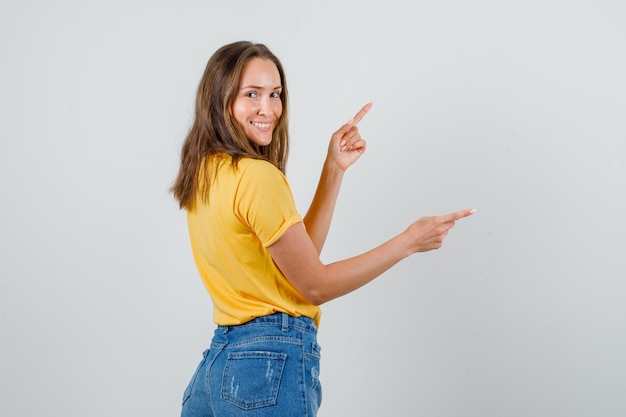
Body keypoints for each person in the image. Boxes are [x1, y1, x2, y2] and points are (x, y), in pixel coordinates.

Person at [171, 41, 475, 417]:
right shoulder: (256, 177)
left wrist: (333, 170)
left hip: (217, 368)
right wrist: (408, 242)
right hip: (266, 367)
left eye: (275, 94)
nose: (269, 109)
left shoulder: (204, 173)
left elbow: (298, 263)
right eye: (252, 94)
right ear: (220, 101)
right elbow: (313, 285)